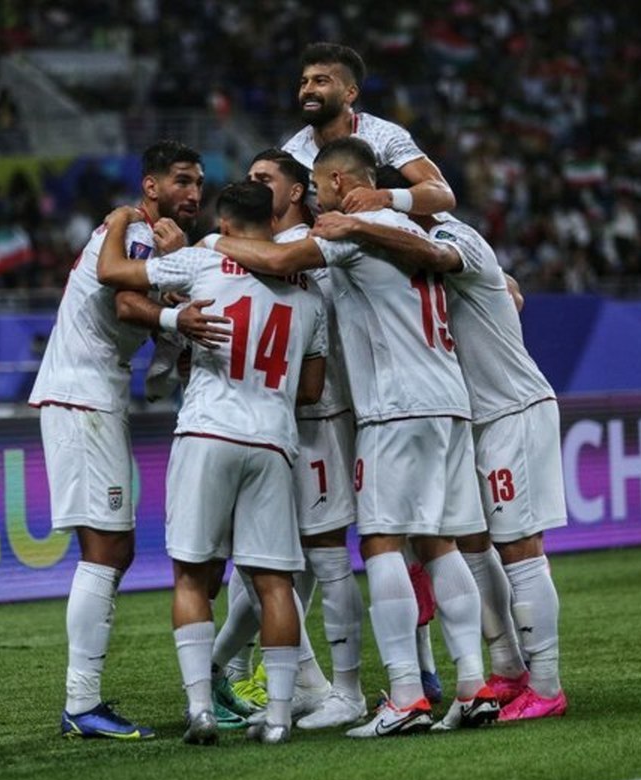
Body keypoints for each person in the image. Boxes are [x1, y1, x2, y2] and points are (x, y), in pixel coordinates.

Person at [209, 137, 499, 737]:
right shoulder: (417, 230)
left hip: (394, 408)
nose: (318, 200)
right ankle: (473, 687)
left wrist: (211, 244)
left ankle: (405, 697)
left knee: (382, 544)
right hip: (448, 402)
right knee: (438, 544)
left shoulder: (349, 230)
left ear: (339, 182)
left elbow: (281, 261)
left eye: (318, 187)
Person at [311, 204, 570, 723]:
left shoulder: (455, 237)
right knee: (472, 542)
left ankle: (546, 685)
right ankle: (507, 668)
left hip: (511, 408)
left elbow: (493, 281)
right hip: (469, 414)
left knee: (520, 547)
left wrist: (360, 225)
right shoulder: (408, 259)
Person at [96, 181, 328, 745]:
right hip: (273, 441)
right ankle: (278, 718)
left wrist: (119, 220)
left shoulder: (202, 261)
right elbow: (311, 390)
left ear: (225, 224)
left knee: (192, 575)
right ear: (271, 222)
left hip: (207, 431)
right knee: (275, 583)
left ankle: (201, 710)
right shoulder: (310, 294)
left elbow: (112, 275)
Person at [28, 140, 229, 741]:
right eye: (182, 180)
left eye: (199, 182)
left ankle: (83, 702)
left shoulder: (143, 235)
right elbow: (124, 300)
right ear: (151, 186)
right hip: (83, 398)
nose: (193, 192)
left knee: (111, 548)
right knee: (109, 549)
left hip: (91, 395)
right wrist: (173, 318)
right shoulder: (138, 232)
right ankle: (81, 703)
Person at [209, 149, 366, 730]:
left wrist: (210, 242)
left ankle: (345, 690)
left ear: (296, 192)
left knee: (324, 555)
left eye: (264, 178)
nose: (251, 184)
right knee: (263, 563)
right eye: (248, 177)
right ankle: (283, 679)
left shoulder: (309, 244)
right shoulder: (262, 249)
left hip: (317, 417)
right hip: (268, 423)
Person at [282, 42, 455, 215]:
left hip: (410, 229)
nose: (307, 90)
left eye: (320, 81)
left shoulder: (383, 135)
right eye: (304, 82)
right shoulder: (291, 155)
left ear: (350, 93)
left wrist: (384, 197)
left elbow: (443, 194)